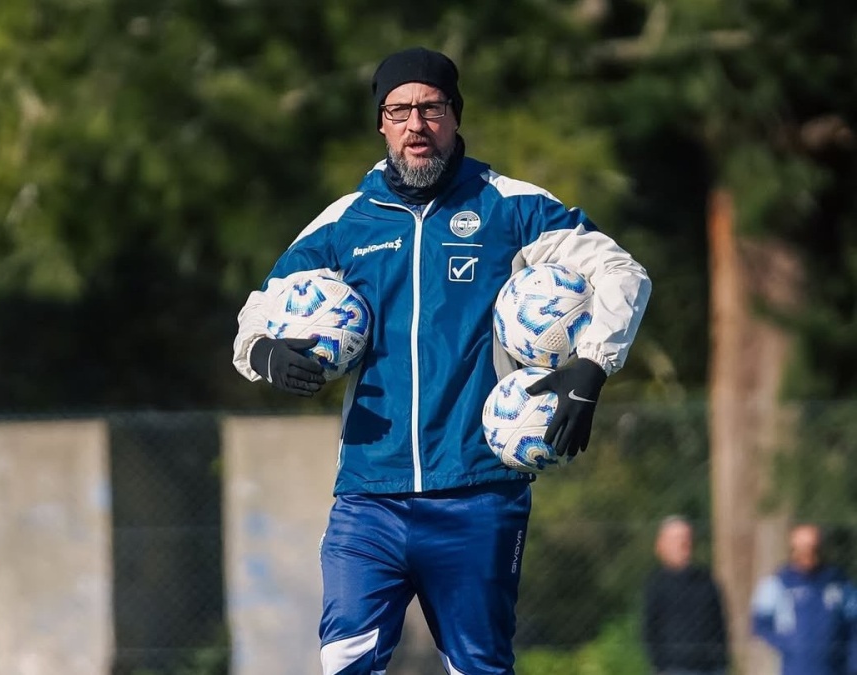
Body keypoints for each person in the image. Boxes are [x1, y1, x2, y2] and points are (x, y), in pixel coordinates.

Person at [233, 46, 651, 675]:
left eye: (431, 108)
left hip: (479, 490)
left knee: (479, 666)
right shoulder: (345, 222)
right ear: (381, 123)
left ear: (455, 115)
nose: (415, 125)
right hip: (369, 493)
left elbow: (622, 271)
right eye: (398, 110)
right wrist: (263, 351)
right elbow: (256, 313)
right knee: (343, 659)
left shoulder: (511, 206)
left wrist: (593, 363)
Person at [751, 523, 857, 675]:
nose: (808, 554)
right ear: (793, 549)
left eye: (813, 548)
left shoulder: (838, 582)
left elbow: (853, 623)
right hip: (796, 667)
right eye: (803, 548)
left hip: (835, 667)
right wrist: (789, 644)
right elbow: (760, 624)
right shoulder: (778, 583)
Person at [643, 516, 729, 675]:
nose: (683, 544)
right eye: (676, 539)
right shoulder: (656, 586)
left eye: (686, 538)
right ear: (661, 545)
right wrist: (662, 664)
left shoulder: (706, 581)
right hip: (674, 668)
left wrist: (720, 660)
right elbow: (650, 630)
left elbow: (719, 623)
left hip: (711, 668)